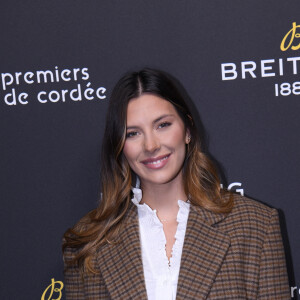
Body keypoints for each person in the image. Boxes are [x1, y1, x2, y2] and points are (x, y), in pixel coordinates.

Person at [63, 68, 290, 299]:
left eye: (163, 125)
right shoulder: (88, 241)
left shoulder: (257, 227)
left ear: (187, 130)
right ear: (120, 146)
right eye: (133, 133)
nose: (150, 145)